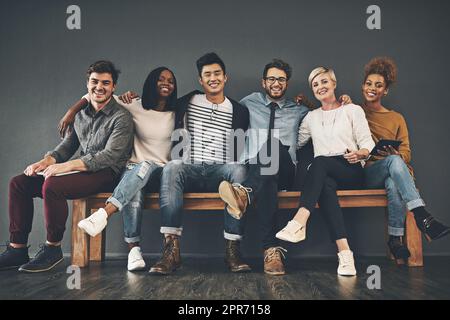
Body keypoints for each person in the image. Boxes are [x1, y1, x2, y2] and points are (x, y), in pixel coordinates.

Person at [218, 59, 353, 275]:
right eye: (271, 78)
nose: (276, 83)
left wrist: (341, 102)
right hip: (256, 170)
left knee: (274, 146)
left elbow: (321, 113)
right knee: (267, 181)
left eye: (281, 79)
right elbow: (223, 107)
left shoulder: (298, 110)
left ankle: (245, 194)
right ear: (263, 82)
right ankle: (271, 251)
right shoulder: (248, 102)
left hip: (286, 171)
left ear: (286, 84)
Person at [0, 60, 134, 272]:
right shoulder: (81, 114)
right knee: (19, 183)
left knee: (53, 185)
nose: (99, 87)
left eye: (105, 83)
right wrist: (45, 162)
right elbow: (67, 146)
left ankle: (53, 249)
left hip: (107, 173)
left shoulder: (122, 117)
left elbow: (108, 156)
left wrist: (63, 168)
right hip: (82, 170)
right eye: (94, 81)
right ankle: (17, 249)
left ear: (113, 87)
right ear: (87, 83)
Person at [57, 67, 179, 271]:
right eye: (160, 79)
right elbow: (96, 94)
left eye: (170, 81)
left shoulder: (177, 112)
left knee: (146, 165)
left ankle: (104, 214)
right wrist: (72, 111)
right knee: (135, 188)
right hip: (131, 172)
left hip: (161, 173)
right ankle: (134, 251)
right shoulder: (134, 105)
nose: (166, 83)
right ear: (151, 82)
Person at [148, 53, 250, 275]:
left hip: (221, 172)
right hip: (190, 169)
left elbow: (241, 146)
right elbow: (154, 100)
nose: (212, 78)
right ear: (200, 80)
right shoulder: (186, 102)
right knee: (172, 166)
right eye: (207, 75)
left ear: (225, 78)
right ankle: (171, 251)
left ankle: (233, 249)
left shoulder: (240, 110)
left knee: (240, 168)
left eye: (217, 73)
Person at [276, 67, 375, 276]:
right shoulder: (311, 117)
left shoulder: (352, 110)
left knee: (319, 162)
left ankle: (299, 221)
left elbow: (368, 142)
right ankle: (345, 254)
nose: (320, 87)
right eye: (315, 84)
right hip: (325, 176)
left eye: (324, 82)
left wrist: (360, 153)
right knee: (325, 186)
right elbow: (295, 142)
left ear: (334, 84)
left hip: (351, 169)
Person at [360, 57, 450, 262]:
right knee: (394, 165)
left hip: (393, 171)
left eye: (378, 85)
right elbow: (328, 116)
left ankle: (395, 239)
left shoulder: (397, 118)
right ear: (363, 86)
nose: (372, 88)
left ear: (385, 91)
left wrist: (396, 155)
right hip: (367, 172)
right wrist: (307, 103)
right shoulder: (354, 110)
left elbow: (407, 152)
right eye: (368, 83)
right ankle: (422, 216)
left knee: (394, 182)